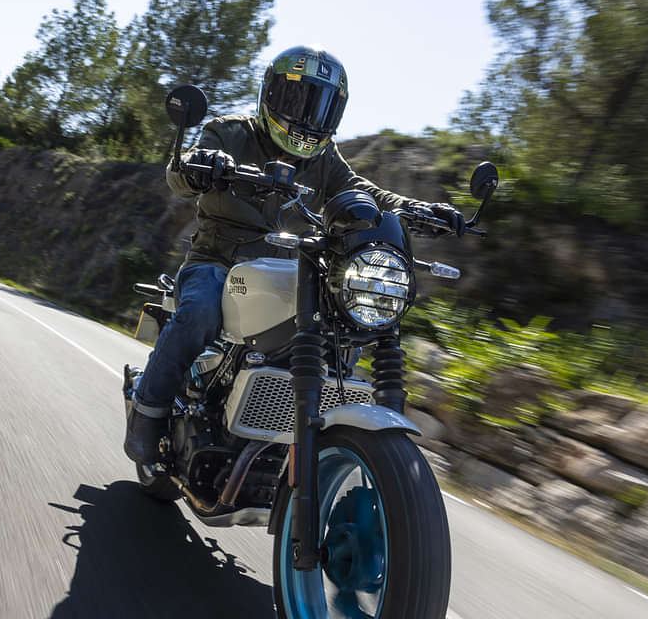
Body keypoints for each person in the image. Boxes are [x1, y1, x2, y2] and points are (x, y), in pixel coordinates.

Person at [124, 45, 465, 464]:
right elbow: (181, 171)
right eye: (298, 102)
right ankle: (149, 413)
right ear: (271, 95)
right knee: (198, 313)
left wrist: (414, 208)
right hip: (219, 261)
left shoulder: (324, 159)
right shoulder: (229, 133)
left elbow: (361, 191)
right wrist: (202, 164)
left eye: (320, 108)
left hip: (292, 272)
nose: (307, 119)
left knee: (345, 327)